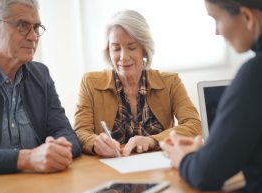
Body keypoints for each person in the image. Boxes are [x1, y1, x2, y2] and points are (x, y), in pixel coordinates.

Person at [160, 0, 262, 193]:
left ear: (247, 17)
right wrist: (214, 150)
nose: (217, 31)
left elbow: (205, 174)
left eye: (216, 19)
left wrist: (184, 159)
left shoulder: (258, 72)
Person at [0, 0, 81, 176]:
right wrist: (26, 159)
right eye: (22, 25)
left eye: (36, 28)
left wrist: (60, 148)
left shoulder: (41, 74)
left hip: (43, 187)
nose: (33, 37)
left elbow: (65, 131)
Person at [74, 9, 201, 158]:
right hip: (111, 168)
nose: (123, 56)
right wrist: (95, 143)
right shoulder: (90, 83)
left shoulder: (170, 82)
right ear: (108, 51)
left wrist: (152, 140)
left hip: (158, 168)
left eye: (132, 47)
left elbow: (194, 125)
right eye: (115, 48)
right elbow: (80, 132)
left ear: (144, 50)